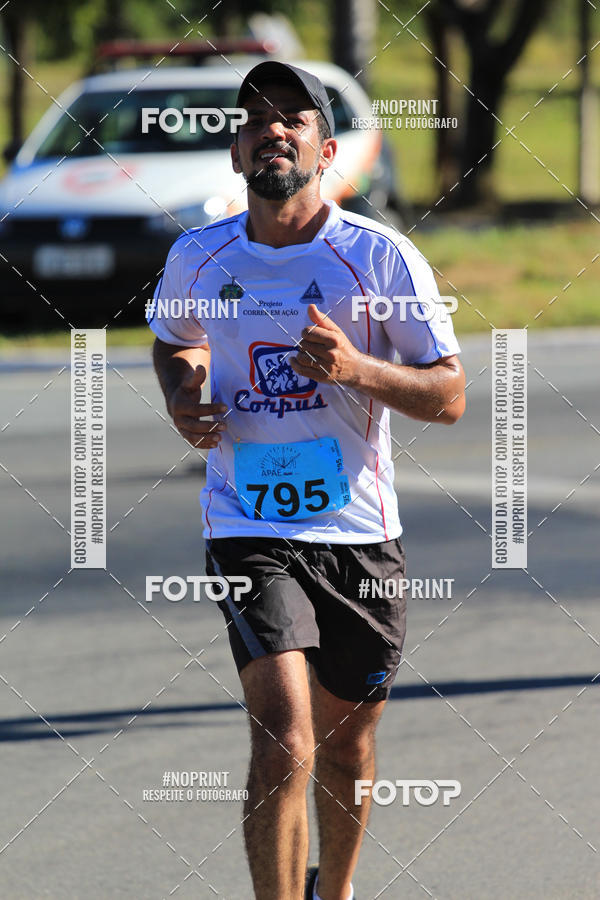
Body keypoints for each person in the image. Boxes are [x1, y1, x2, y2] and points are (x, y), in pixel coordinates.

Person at [149, 61, 465, 900]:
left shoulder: (378, 257)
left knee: (347, 744)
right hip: (246, 523)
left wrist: (359, 369)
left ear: (326, 151)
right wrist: (183, 391)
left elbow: (449, 395)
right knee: (284, 739)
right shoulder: (198, 256)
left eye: (294, 118)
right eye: (256, 119)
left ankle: (335, 890)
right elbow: (175, 339)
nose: (274, 130)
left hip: (358, 531)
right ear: (235, 152)